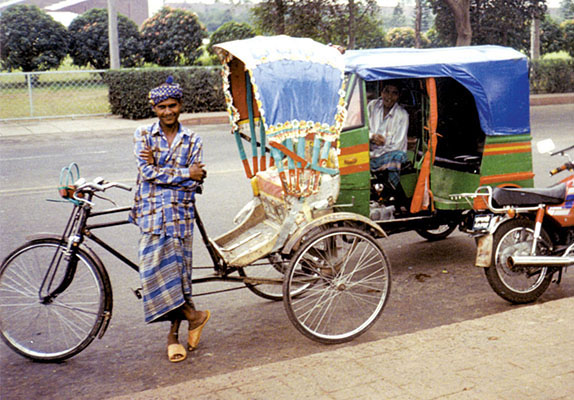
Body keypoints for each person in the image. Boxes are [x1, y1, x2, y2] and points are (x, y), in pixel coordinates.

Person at [129, 76, 209, 363]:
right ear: (154, 108)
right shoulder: (143, 135)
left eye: (172, 106)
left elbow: (194, 184)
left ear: (180, 106)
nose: (167, 112)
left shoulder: (193, 139)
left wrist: (164, 170)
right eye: (161, 107)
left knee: (178, 278)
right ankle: (193, 315)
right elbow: (146, 173)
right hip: (151, 215)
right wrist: (185, 173)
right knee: (153, 274)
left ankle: (173, 337)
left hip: (180, 215)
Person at [368, 80, 410, 212]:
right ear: (381, 91)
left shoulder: (402, 115)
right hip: (369, 153)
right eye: (387, 91)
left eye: (394, 93)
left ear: (398, 96)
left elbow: (397, 145)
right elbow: (362, 129)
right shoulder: (372, 106)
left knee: (397, 158)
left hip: (390, 155)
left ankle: (398, 197)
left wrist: (382, 143)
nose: (389, 97)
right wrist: (372, 137)